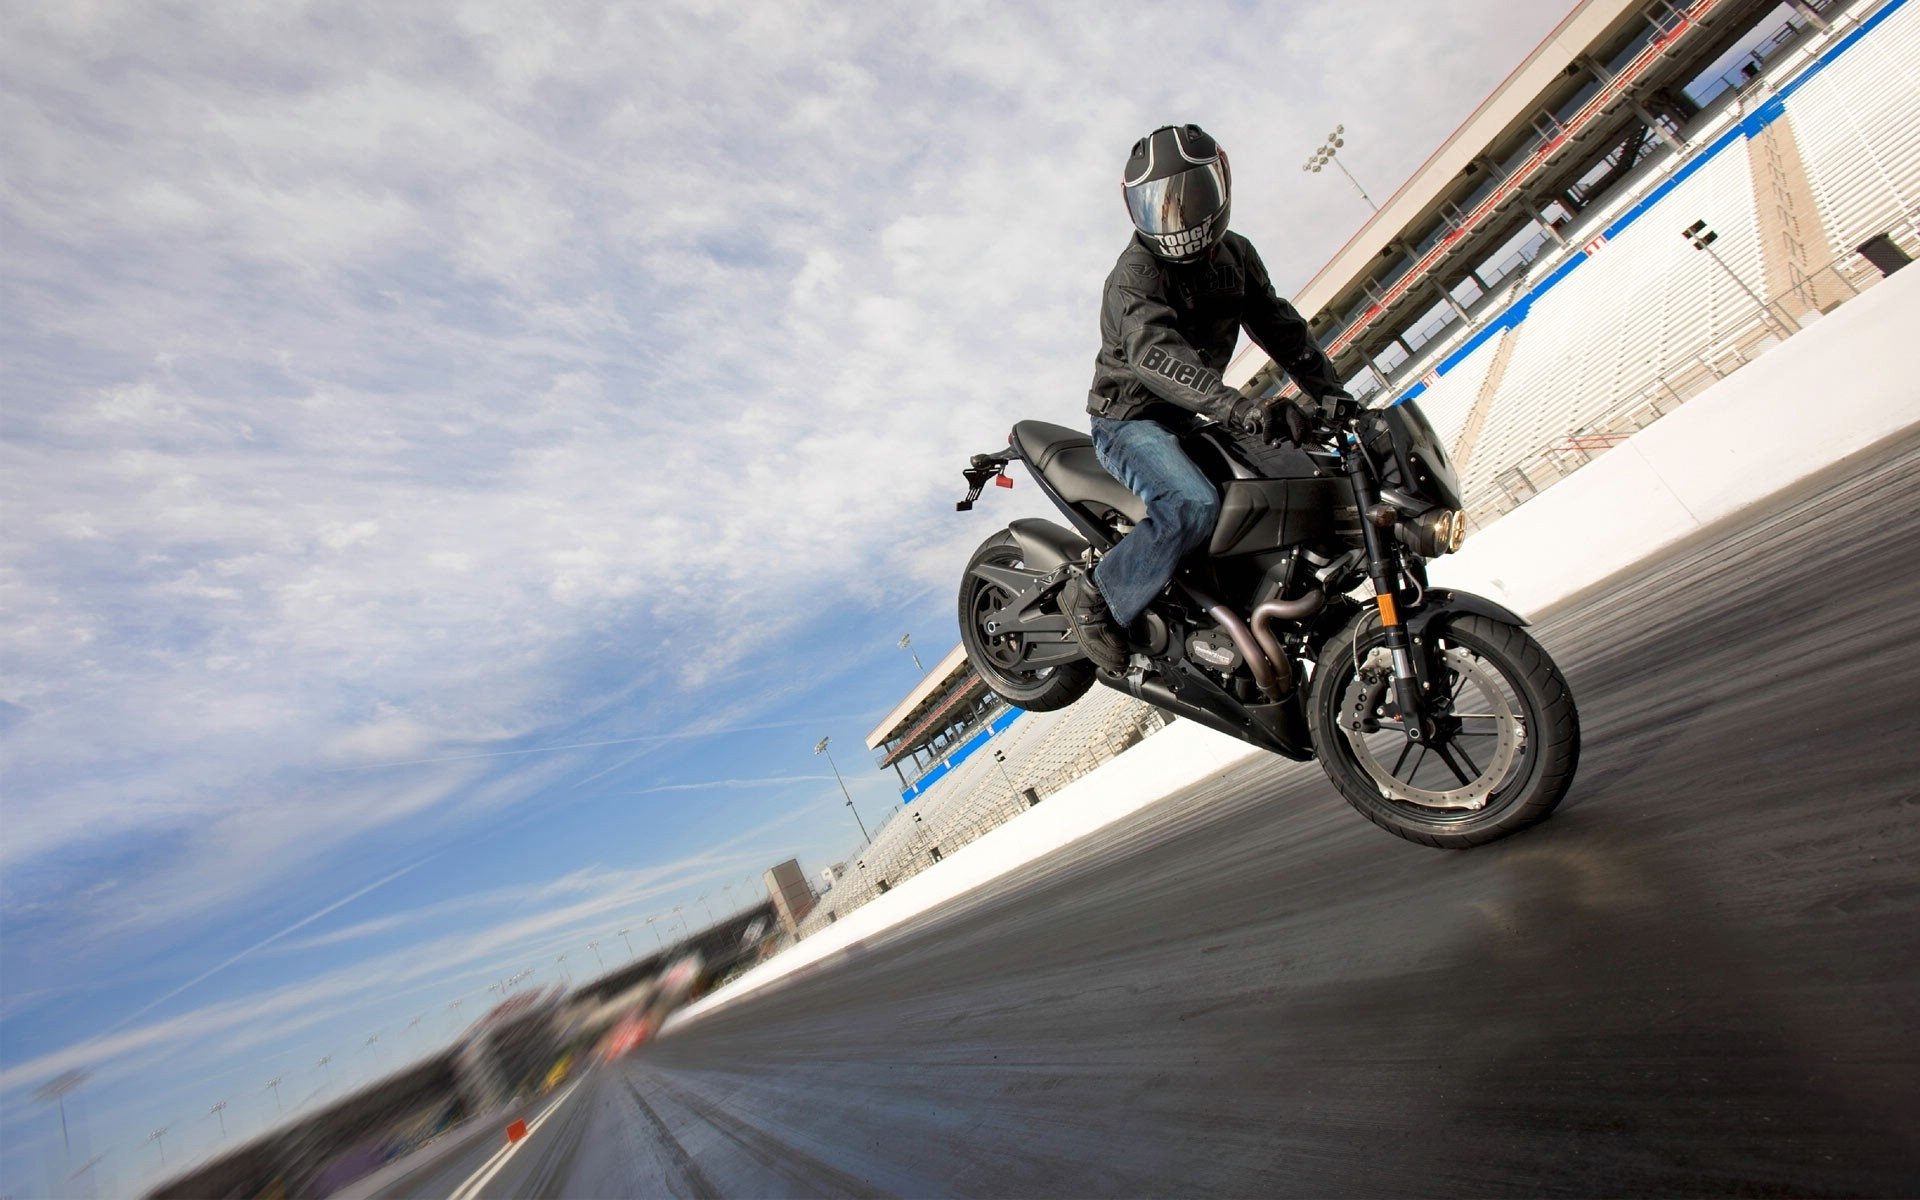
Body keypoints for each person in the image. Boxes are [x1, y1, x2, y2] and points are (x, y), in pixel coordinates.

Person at [1061, 123, 1352, 672]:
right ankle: (1096, 596)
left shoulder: (1236, 257)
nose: (1175, 218)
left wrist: (1334, 395)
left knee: (1291, 475)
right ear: (1135, 210)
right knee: (1191, 505)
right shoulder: (1133, 276)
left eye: (1188, 199)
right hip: (1130, 421)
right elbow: (1155, 355)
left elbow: (1282, 329)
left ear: (1219, 188)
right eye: (1158, 206)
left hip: (1194, 416)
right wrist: (1238, 407)